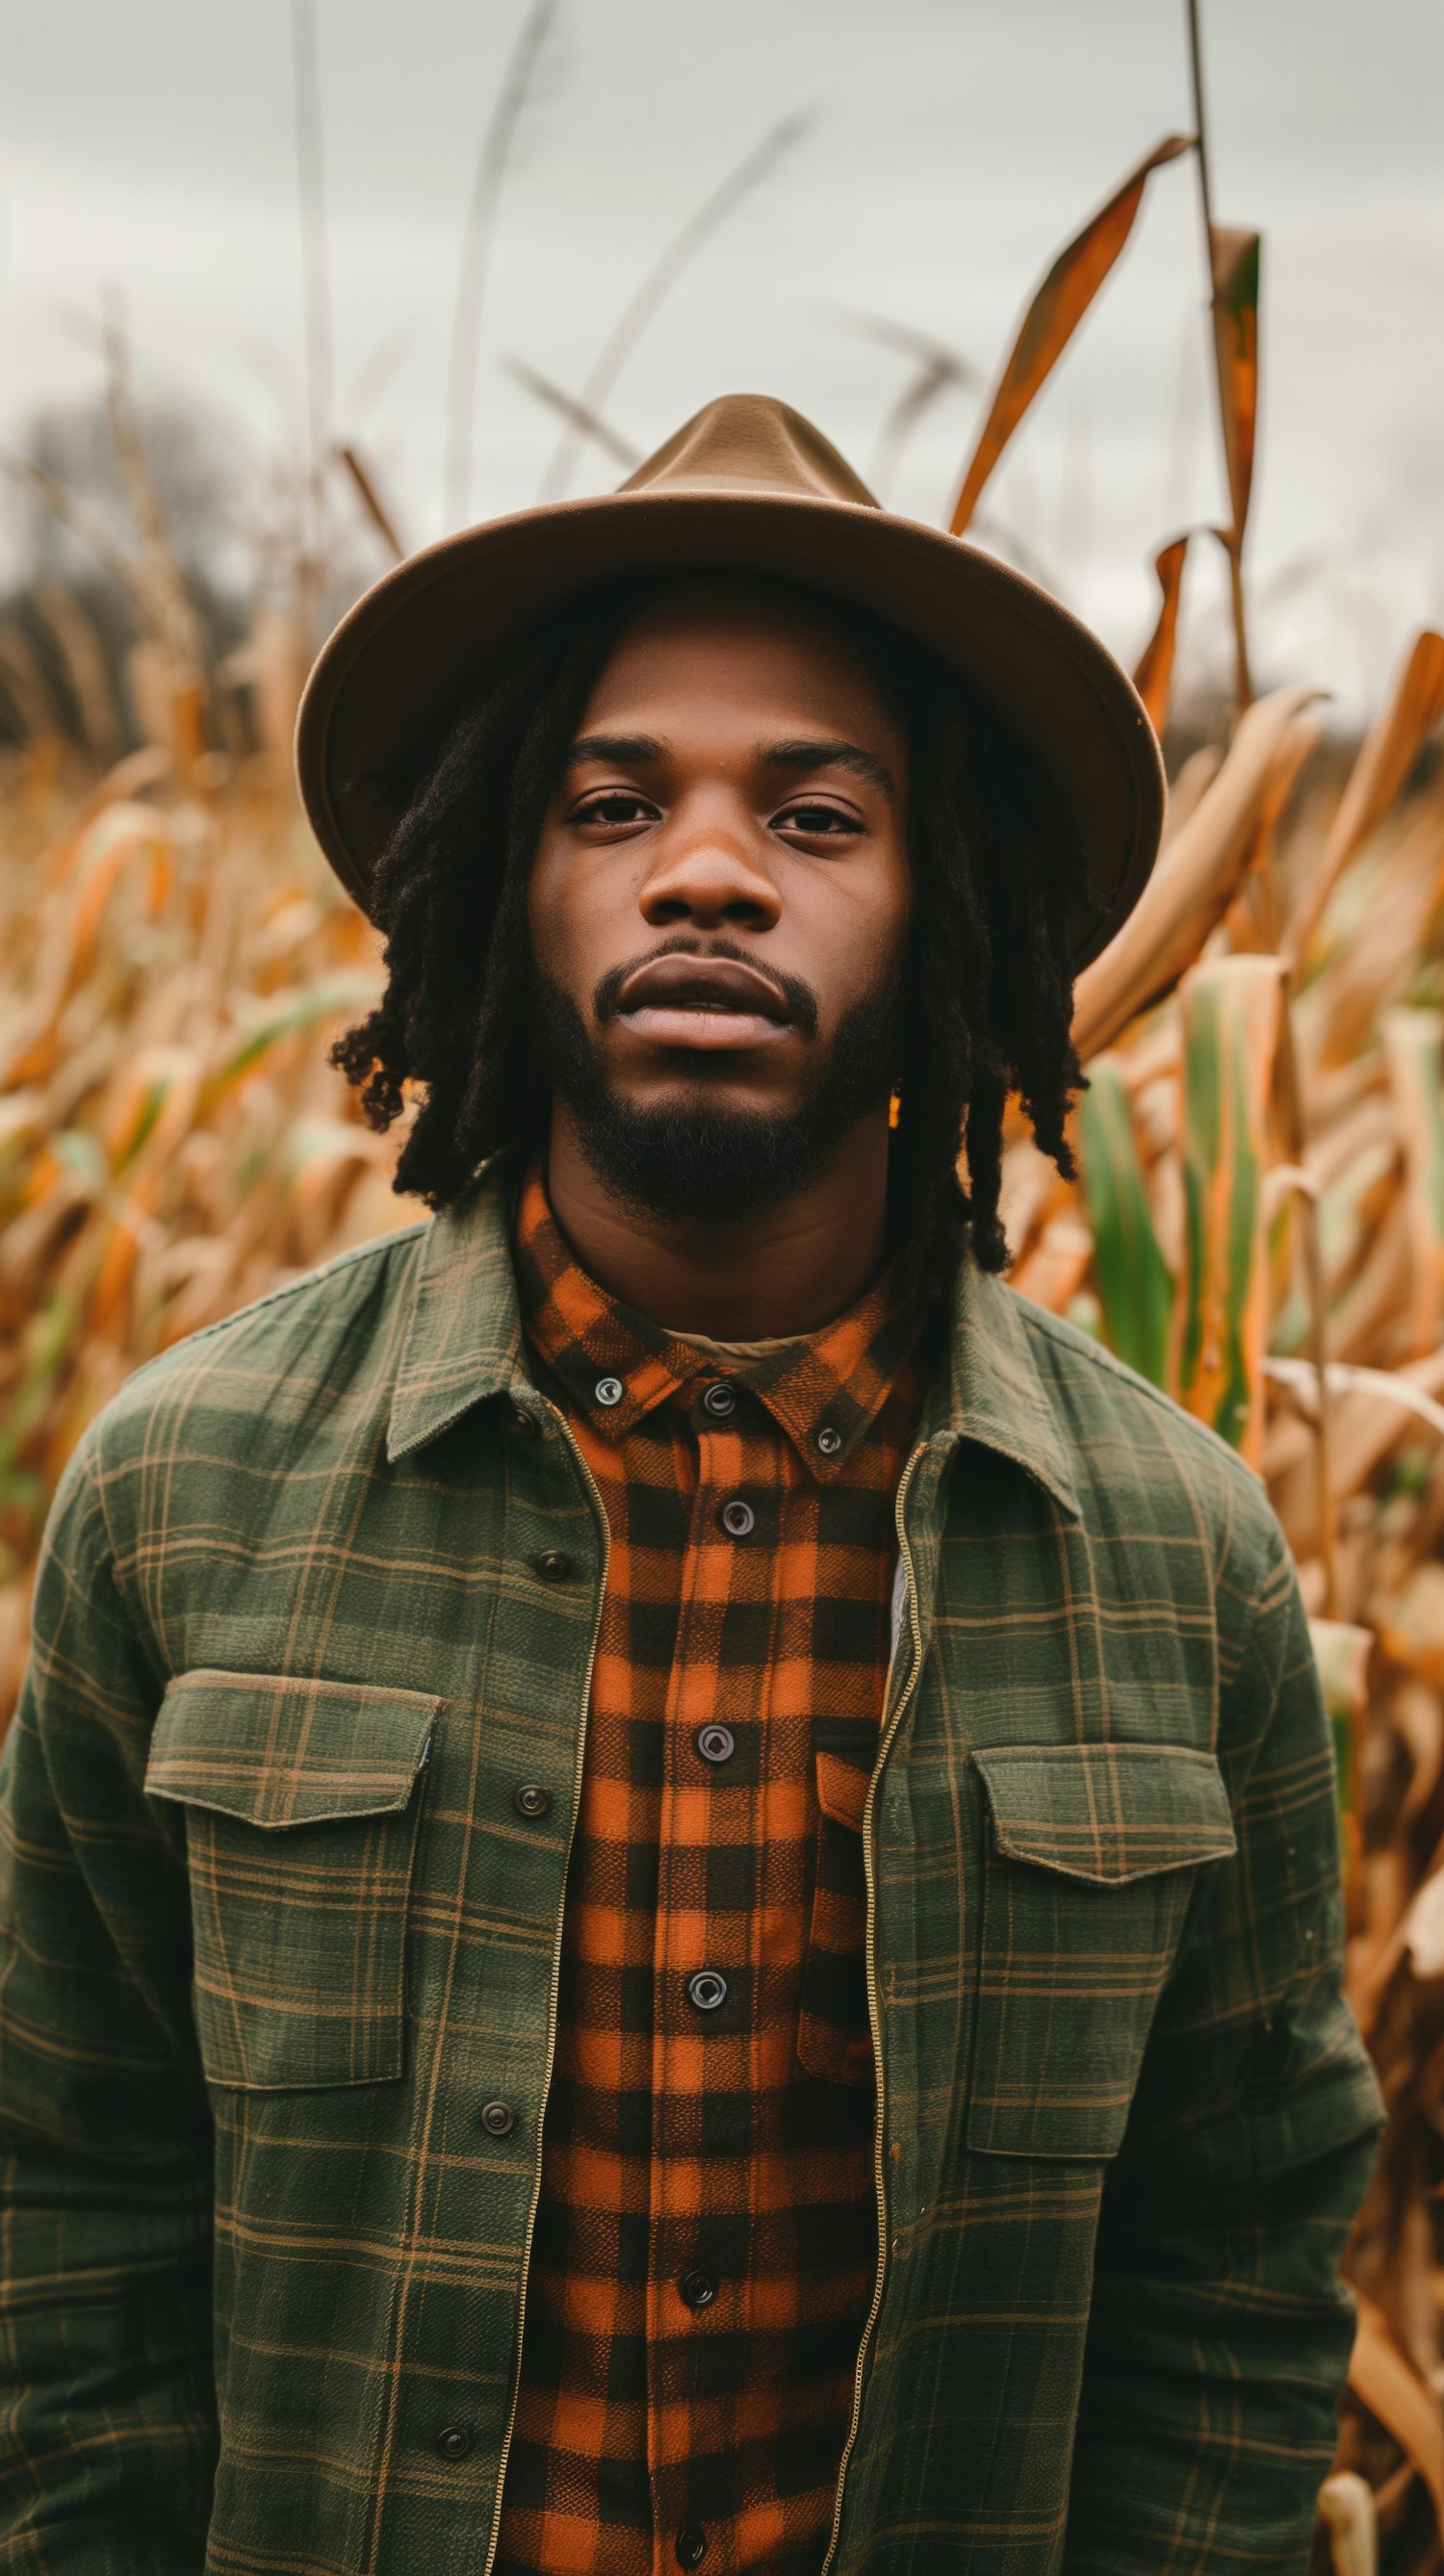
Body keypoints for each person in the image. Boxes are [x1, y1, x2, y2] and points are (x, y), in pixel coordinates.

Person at [0, 396, 1380, 2576]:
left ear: (950, 905)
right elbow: (62, 2208)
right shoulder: (186, 1495)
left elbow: (1236, 2253)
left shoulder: (1174, 1559)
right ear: (495, 877)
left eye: (819, 814)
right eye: (614, 800)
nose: (711, 868)